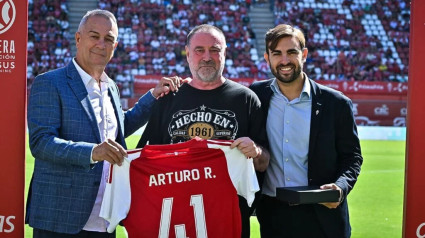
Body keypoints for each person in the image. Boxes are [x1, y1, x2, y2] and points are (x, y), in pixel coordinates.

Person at [26, 9, 185, 238]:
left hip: (105, 218)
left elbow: (119, 129)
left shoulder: (111, 87)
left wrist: (153, 97)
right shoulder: (50, 82)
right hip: (60, 219)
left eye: (108, 39)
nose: (101, 44)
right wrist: (93, 152)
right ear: (78, 38)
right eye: (94, 36)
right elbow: (41, 143)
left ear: (115, 46)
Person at [136, 24, 270, 238]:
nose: (207, 57)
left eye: (215, 50)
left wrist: (255, 151)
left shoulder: (246, 100)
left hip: (228, 221)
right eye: (199, 50)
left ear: (225, 53)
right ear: (187, 54)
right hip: (176, 221)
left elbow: (265, 163)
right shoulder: (168, 99)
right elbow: (143, 160)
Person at [249, 24, 363, 238]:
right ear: (267, 58)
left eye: (291, 52)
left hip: (323, 216)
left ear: (304, 54)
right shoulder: (254, 97)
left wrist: (340, 187)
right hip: (273, 216)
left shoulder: (336, 103)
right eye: (277, 54)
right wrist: (180, 86)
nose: (284, 61)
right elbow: (218, 94)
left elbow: (352, 157)